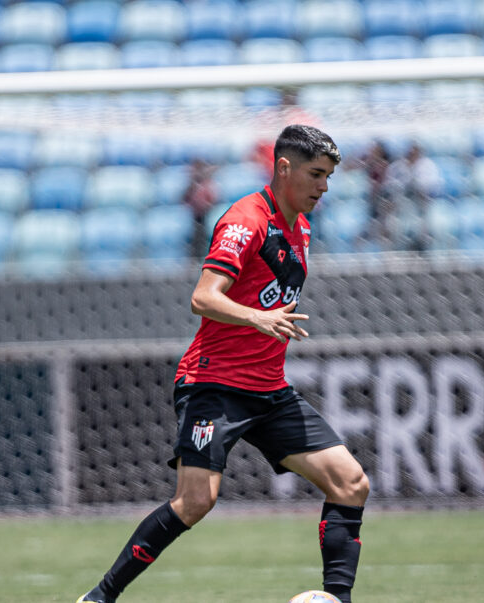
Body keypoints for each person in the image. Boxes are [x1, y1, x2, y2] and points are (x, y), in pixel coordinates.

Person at [78, 125, 369, 603]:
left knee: (351, 482)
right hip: (214, 383)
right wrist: (258, 317)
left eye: (329, 177)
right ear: (284, 168)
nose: (324, 187)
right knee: (196, 501)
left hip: (269, 389)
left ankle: (338, 600)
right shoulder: (245, 220)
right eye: (316, 174)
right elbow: (203, 297)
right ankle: (99, 598)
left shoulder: (301, 226)